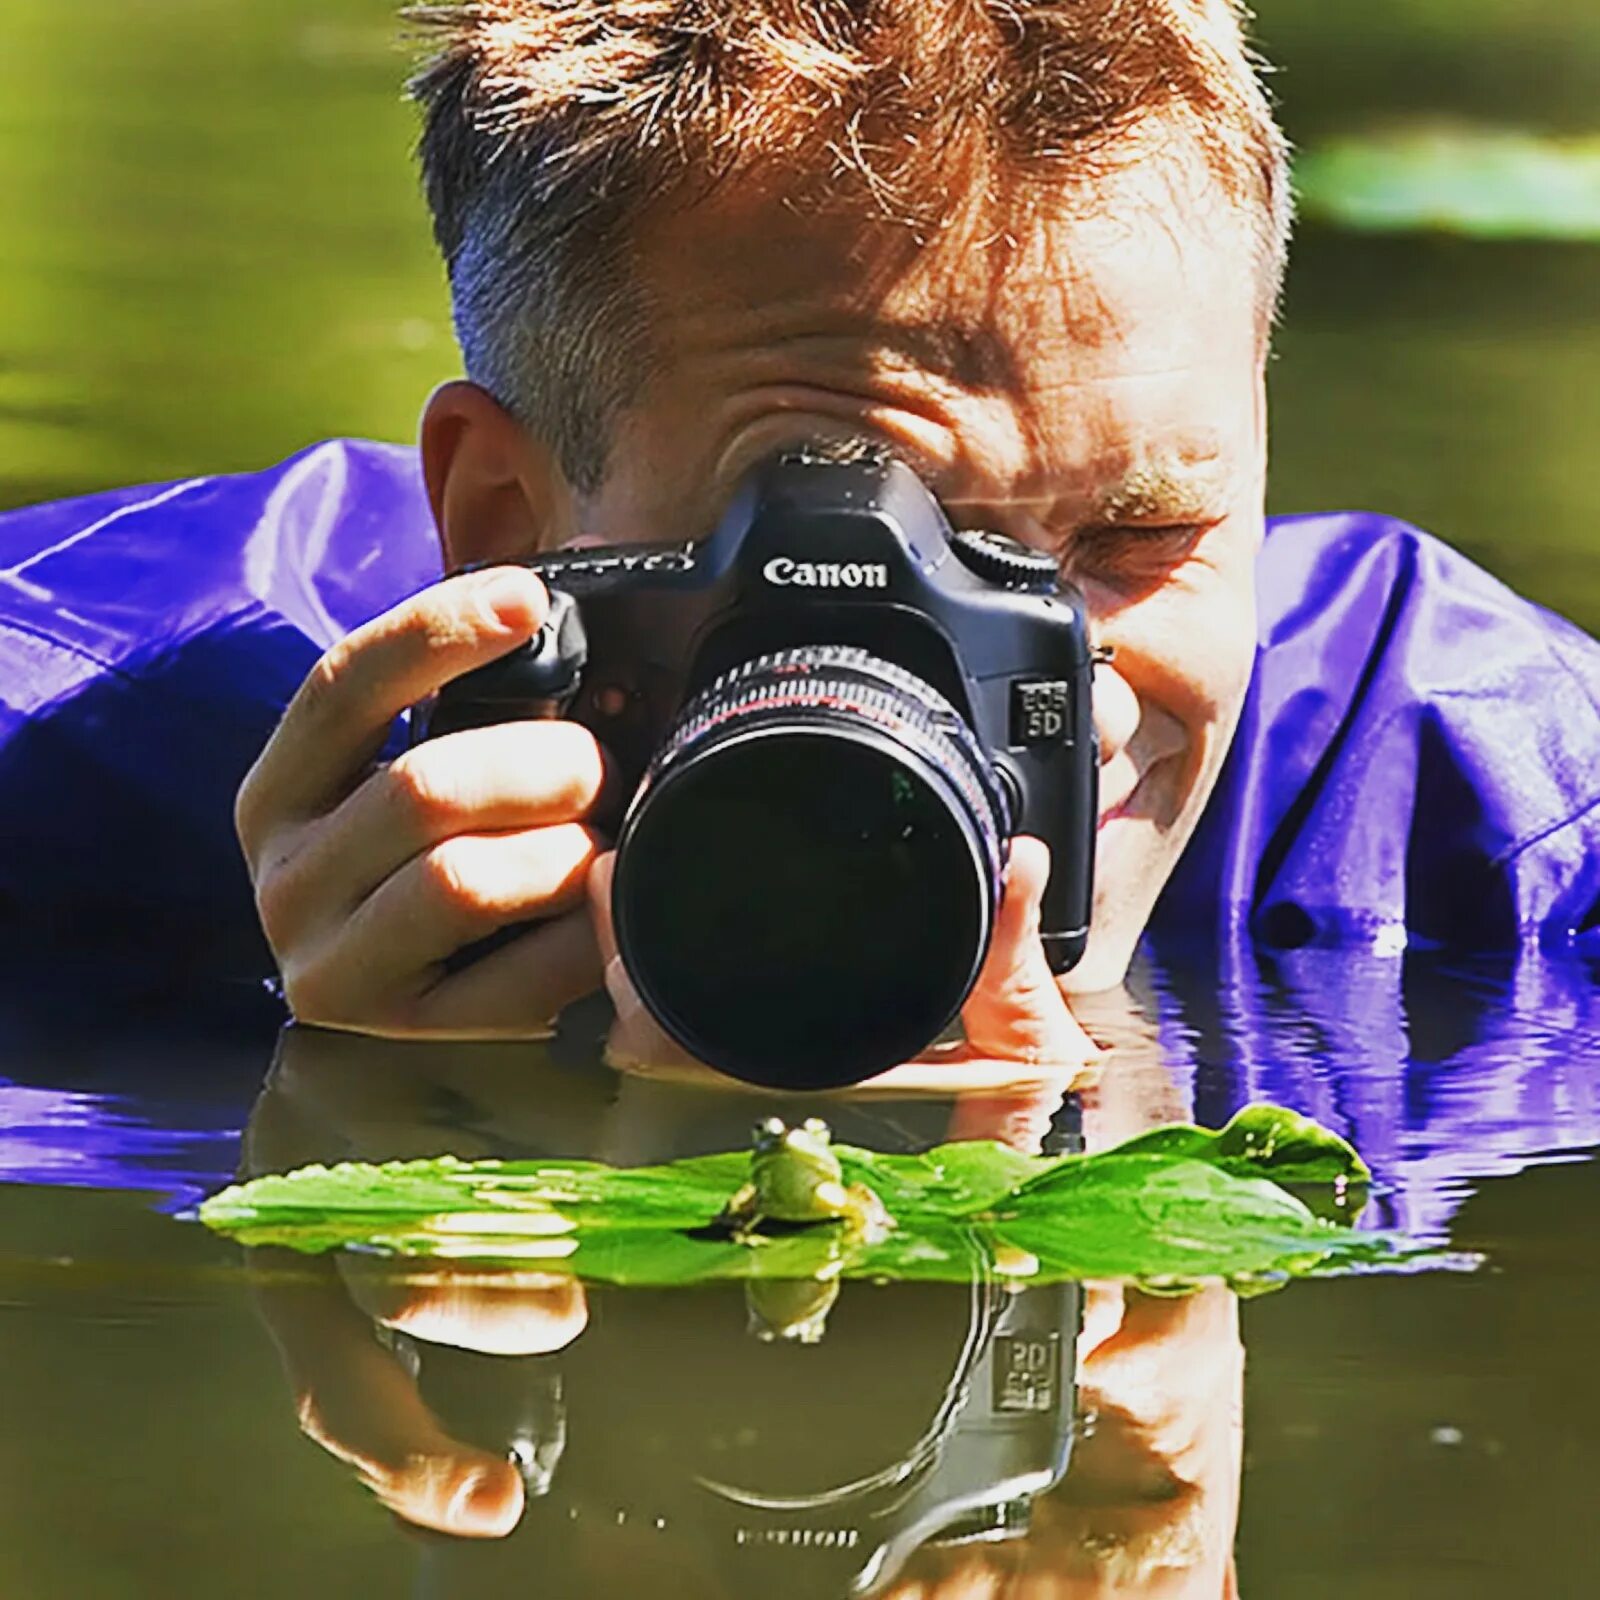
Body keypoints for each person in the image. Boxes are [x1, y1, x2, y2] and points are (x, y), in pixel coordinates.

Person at [0, 0, 1595, 1072]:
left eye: (1144, 530)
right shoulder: (64, 760)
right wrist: (353, 1100)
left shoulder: (1503, 836)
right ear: (507, 522)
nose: (1083, 692)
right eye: (873, 546)